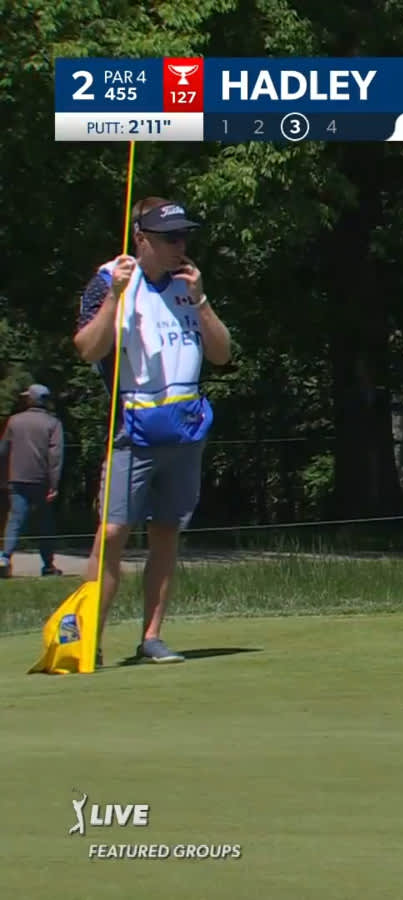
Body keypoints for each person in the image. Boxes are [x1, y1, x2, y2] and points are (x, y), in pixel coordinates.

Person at [73, 196, 232, 664]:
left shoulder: (189, 284)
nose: (181, 246)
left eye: (184, 236)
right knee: (114, 531)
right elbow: (87, 348)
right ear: (142, 239)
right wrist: (116, 297)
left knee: (166, 532)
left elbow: (222, 354)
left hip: (184, 431)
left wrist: (201, 299)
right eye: (171, 238)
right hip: (133, 428)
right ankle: (89, 639)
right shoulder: (111, 279)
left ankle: (151, 637)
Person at [0, 383, 66, 578]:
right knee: (44, 523)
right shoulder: (53, 424)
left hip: (17, 478)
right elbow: (56, 457)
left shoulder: (14, 421)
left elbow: (3, 451)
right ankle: (48, 565)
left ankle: (4, 558)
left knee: (15, 519)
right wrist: (54, 484)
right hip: (41, 480)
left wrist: (5, 476)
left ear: (31, 399)